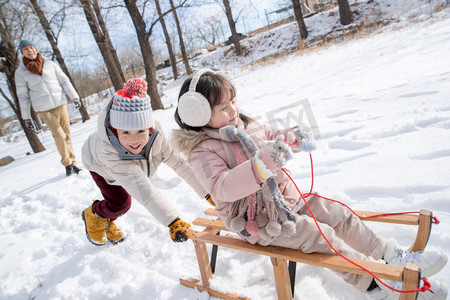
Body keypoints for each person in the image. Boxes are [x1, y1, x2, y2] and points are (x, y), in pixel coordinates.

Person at [172, 69, 448, 299]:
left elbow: (271, 135)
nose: (233, 110)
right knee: (319, 234)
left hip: (290, 200)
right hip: (262, 222)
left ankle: (391, 255)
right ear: (198, 115)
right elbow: (221, 187)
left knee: (337, 214)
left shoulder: (246, 124)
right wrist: (261, 165)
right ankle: (377, 284)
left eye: (234, 101)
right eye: (224, 107)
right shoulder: (201, 150)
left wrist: (290, 137)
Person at [81, 77, 213, 246]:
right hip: (100, 166)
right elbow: (142, 187)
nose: (134, 140)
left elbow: (180, 164)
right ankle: (95, 215)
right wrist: (173, 221)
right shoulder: (109, 152)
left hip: (133, 165)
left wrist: (208, 192)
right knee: (121, 203)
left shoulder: (158, 136)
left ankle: (107, 218)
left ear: (150, 129)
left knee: (122, 200)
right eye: (126, 132)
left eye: (140, 131)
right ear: (115, 131)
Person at [15, 39, 82, 176]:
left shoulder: (50, 64)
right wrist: (26, 117)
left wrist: (74, 97)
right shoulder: (20, 73)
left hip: (60, 103)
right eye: (25, 49)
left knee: (67, 135)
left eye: (31, 47)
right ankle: (67, 164)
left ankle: (73, 163)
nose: (29, 50)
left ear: (35, 49)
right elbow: (23, 96)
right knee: (59, 135)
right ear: (22, 53)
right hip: (43, 109)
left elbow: (64, 81)